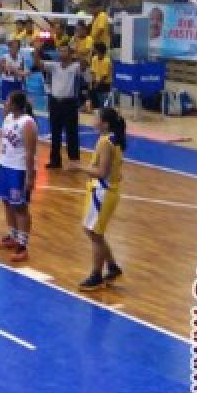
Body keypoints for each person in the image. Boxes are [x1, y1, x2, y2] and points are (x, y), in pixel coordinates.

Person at [77, 107, 125, 291]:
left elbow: (102, 172)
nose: (93, 118)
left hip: (103, 192)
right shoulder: (113, 139)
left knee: (94, 233)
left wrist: (79, 167)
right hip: (107, 191)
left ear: (104, 123)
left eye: (96, 116)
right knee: (94, 232)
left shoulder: (105, 142)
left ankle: (96, 275)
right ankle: (112, 266)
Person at [0, 90, 38, 263]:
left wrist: (30, 177)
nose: (5, 103)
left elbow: (31, 153)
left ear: (15, 104)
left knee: (20, 207)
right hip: (5, 167)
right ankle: (13, 235)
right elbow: (1, 143)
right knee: (7, 202)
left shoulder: (28, 123)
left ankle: (23, 245)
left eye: (7, 100)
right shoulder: (8, 119)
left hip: (19, 170)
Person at [35, 44, 83, 168]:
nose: (61, 53)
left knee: (71, 133)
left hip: (69, 103)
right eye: (60, 51)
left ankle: (74, 160)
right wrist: (36, 50)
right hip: (55, 103)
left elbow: (84, 64)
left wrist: (78, 53)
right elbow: (39, 64)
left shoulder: (75, 67)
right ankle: (55, 160)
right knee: (55, 132)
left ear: (70, 53)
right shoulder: (54, 66)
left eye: (64, 51)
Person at [0, 40, 26, 105]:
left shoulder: (21, 58)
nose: (15, 49)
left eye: (17, 47)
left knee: (18, 104)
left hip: (18, 83)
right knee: (6, 103)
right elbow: (0, 71)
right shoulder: (4, 57)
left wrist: (24, 86)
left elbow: (23, 73)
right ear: (10, 47)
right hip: (7, 83)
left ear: (19, 49)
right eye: (13, 47)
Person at [88, 42, 113, 109]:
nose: (93, 50)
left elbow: (104, 76)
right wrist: (92, 83)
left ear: (98, 50)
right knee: (94, 98)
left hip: (105, 84)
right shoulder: (94, 58)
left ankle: (105, 110)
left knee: (104, 101)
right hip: (96, 82)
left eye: (94, 49)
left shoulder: (107, 61)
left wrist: (97, 84)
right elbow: (93, 71)